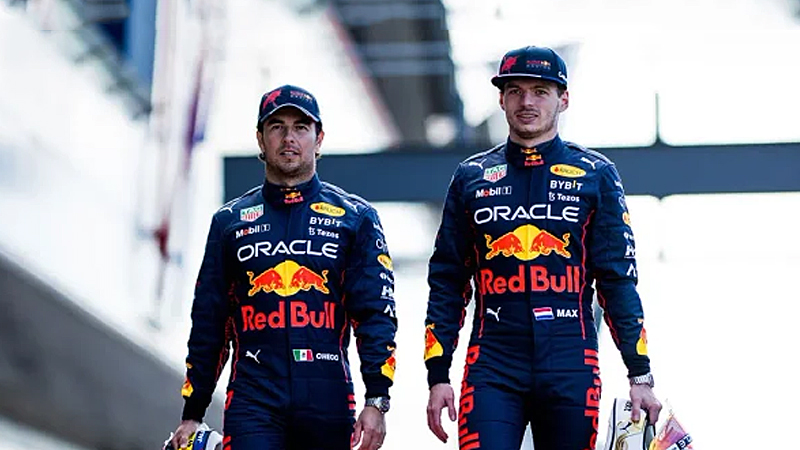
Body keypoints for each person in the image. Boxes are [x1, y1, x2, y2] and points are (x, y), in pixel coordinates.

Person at [423, 46, 662, 450]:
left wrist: (640, 375)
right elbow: (447, 282)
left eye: (540, 91)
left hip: (571, 361)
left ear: (563, 99)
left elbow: (618, 280)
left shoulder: (596, 174)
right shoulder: (471, 177)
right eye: (515, 91)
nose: (527, 102)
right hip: (493, 363)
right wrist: (437, 375)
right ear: (501, 100)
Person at [170, 85, 397, 450]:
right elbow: (209, 322)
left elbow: (375, 315)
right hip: (253, 396)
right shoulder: (229, 222)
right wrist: (193, 412)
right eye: (277, 127)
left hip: (327, 394)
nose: (289, 137)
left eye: (300, 127)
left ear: (318, 139)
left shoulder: (356, 218)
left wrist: (377, 400)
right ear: (260, 139)